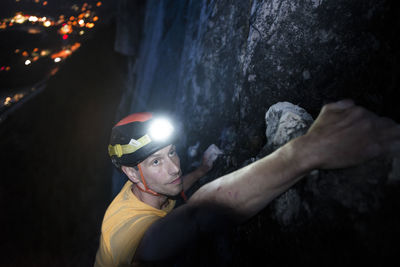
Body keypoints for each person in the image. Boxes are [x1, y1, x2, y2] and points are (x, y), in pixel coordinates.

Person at [94, 99, 400, 266]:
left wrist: (200, 171)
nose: (174, 167)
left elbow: (174, 188)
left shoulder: (145, 187)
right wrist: (308, 151)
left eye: (171, 152)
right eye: (156, 162)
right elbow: (195, 216)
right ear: (132, 174)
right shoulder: (125, 231)